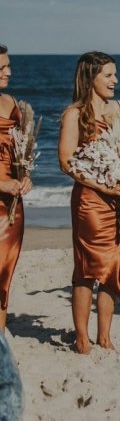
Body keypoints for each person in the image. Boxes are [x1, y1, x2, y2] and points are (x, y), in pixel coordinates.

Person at [58, 52, 120, 354]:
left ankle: (104, 337)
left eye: (115, 75)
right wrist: (105, 186)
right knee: (88, 268)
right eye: (109, 75)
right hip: (90, 201)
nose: (116, 80)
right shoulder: (74, 114)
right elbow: (66, 162)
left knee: (114, 266)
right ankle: (82, 338)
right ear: (91, 78)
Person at [0, 44, 34, 333]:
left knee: (4, 271)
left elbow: (21, 153)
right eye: (1, 68)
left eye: (8, 65)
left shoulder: (11, 102)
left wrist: (25, 177)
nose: (8, 72)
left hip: (11, 203)